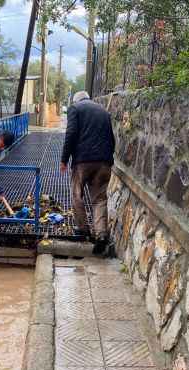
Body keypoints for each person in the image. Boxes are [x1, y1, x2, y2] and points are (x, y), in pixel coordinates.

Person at [60, 90, 115, 255]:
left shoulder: (75, 109)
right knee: (99, 199)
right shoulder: (104, 111)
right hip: (104, 162)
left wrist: (64, 159)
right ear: (88, 98)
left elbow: (71, 134)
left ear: (76, 100)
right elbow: (111, 139)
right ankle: (101, 235)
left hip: (83, 161)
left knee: (77, 194)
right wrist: (107, 159)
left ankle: (84, 230)